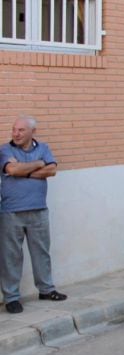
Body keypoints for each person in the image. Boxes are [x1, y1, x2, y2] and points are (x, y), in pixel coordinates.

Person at [0, 116, 67, 314]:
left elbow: (52, 170)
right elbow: (11, 169)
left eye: (21, 130)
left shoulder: (43, 147)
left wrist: (24, 170)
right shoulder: (5, 150)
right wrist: (39, 164)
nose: (16, 133)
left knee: (41, 252)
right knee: (10, 256)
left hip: (39, 209)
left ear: (32, 132)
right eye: (14, 130)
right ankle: (11, 298)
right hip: (11, 212)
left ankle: (46, 290)